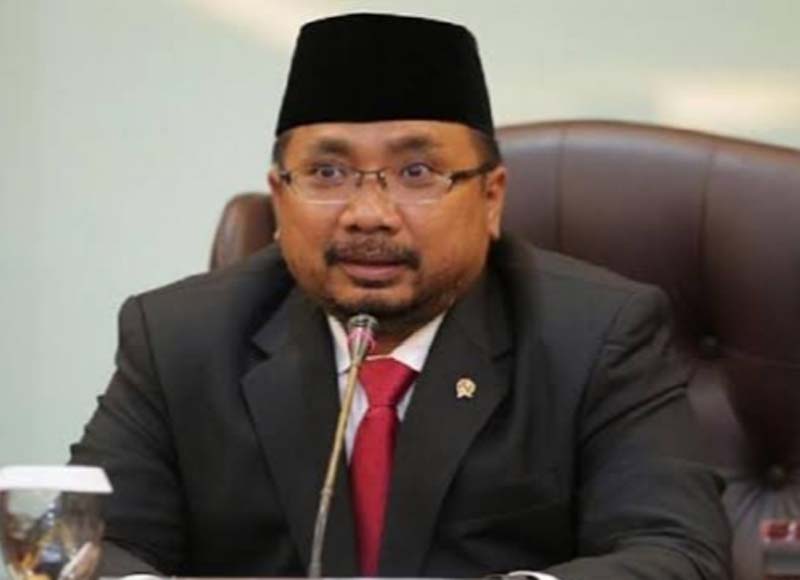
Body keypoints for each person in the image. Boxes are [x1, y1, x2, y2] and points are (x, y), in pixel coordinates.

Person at [71, 13, 731, 580]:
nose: (369, 215)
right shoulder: (178, 336)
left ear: (491, 198)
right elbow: (88, 549)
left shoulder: (596, 335)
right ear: (279, 197)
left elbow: (676, 553)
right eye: (327, 172)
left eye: (417, 172)